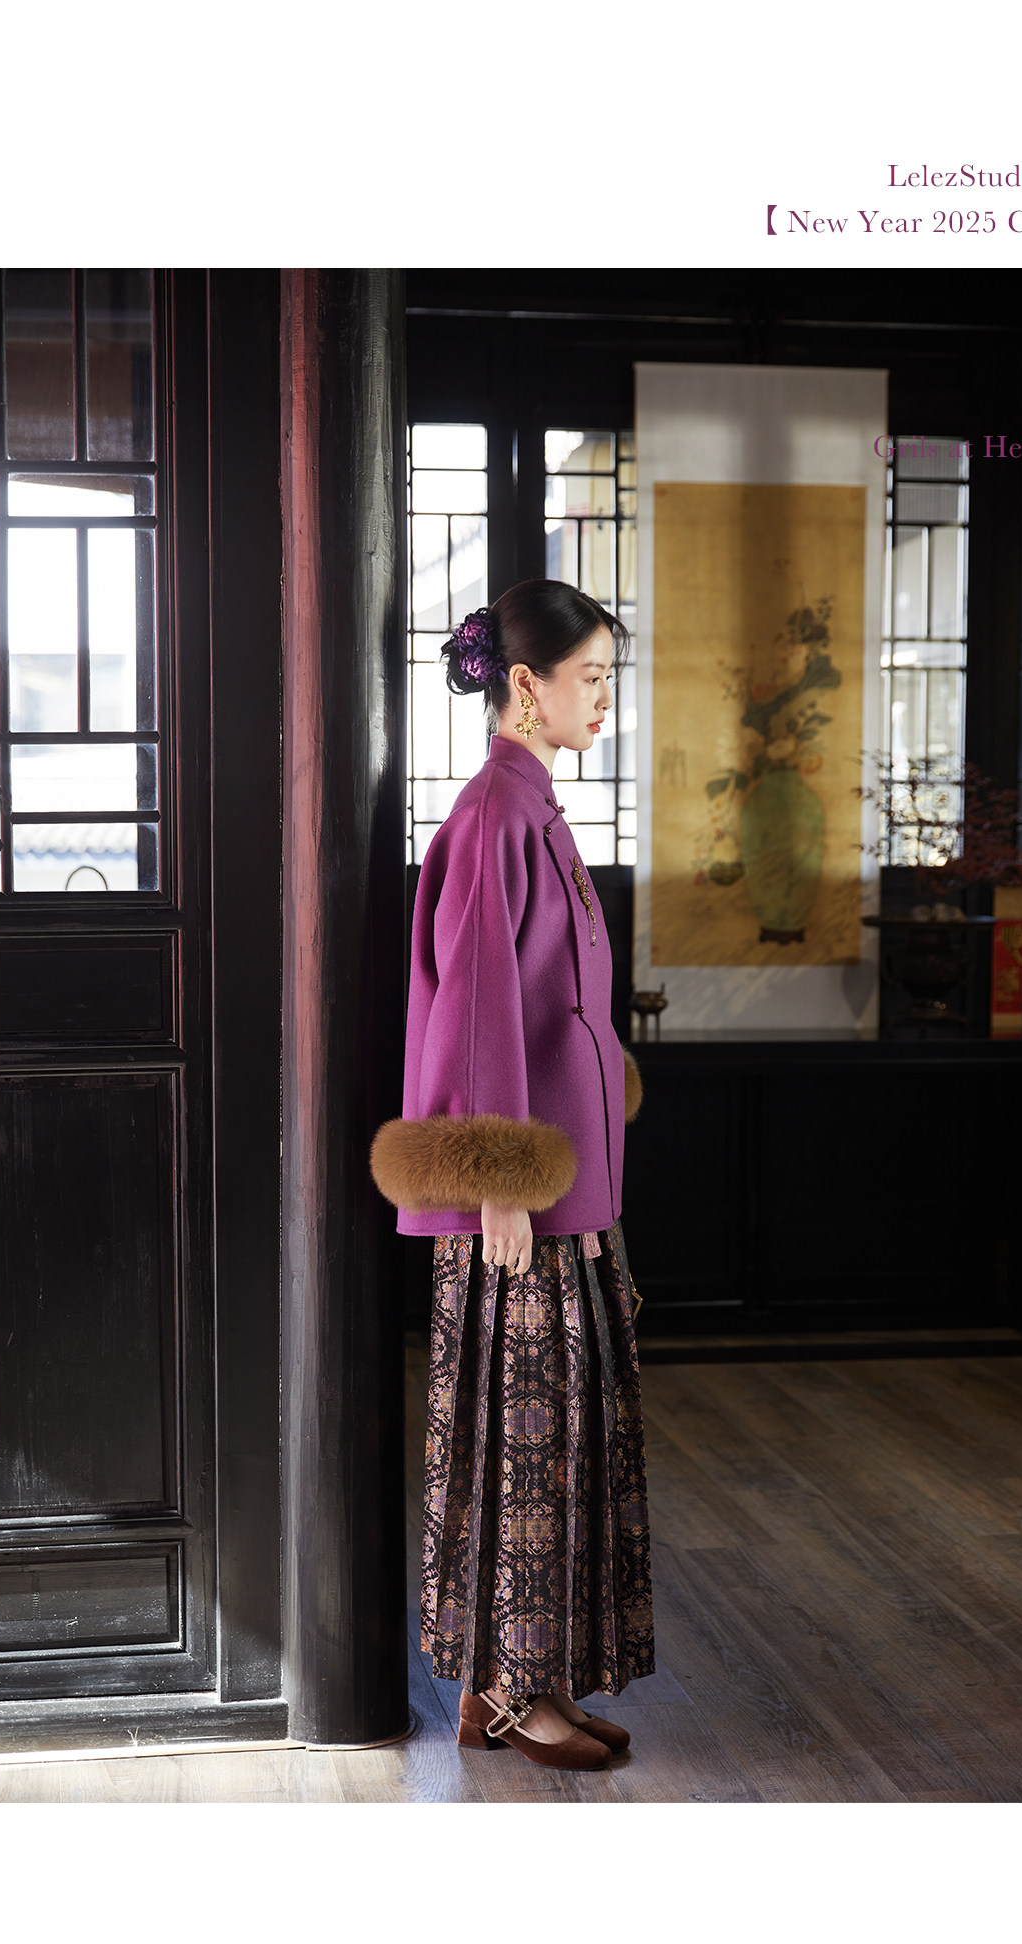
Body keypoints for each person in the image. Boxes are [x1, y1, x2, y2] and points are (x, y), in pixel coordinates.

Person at [370, 578, 654, 1773]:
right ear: (526, 685)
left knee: (564, 1429)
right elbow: (480, 1003)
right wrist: (498, 1179)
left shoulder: (533, 808)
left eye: (609, 677)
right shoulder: (494, 815)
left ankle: (522, 1683)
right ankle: (509, 1690)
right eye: (590, 676)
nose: (605, 697)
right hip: (520, 1200)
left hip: (559, 1186)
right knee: (524, 1440)